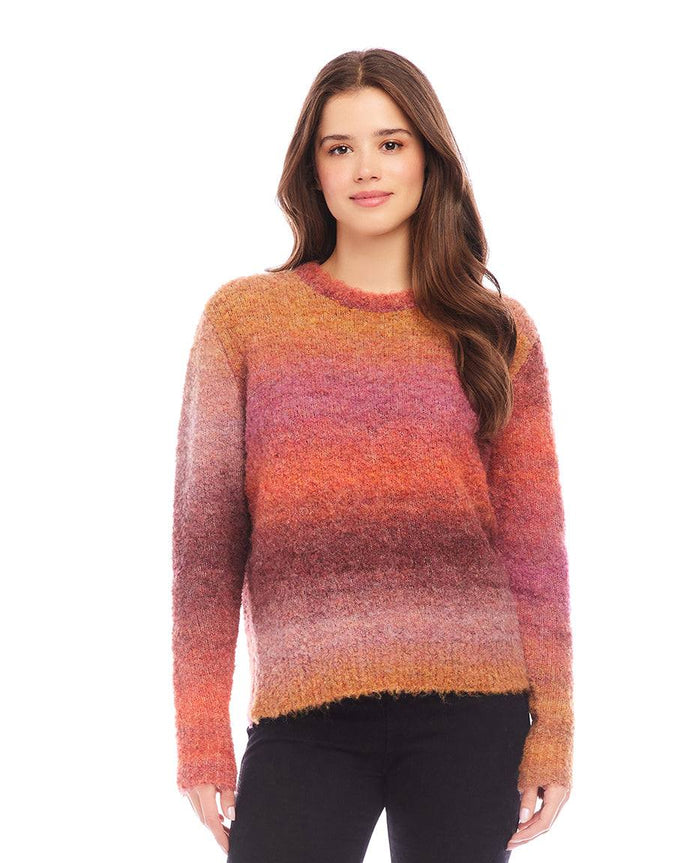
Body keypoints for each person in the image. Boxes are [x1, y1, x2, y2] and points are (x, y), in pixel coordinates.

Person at [171, 48, 574, 862]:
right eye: (339, 146)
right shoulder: (244, 322)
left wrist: (555, 728)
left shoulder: (498, 333)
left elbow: (534, 548)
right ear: (311, 169)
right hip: (303, 714)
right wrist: (200, 733)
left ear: (429, 157)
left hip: (474, 710)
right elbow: (205, 547)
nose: (366, 168)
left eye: (391, 143)